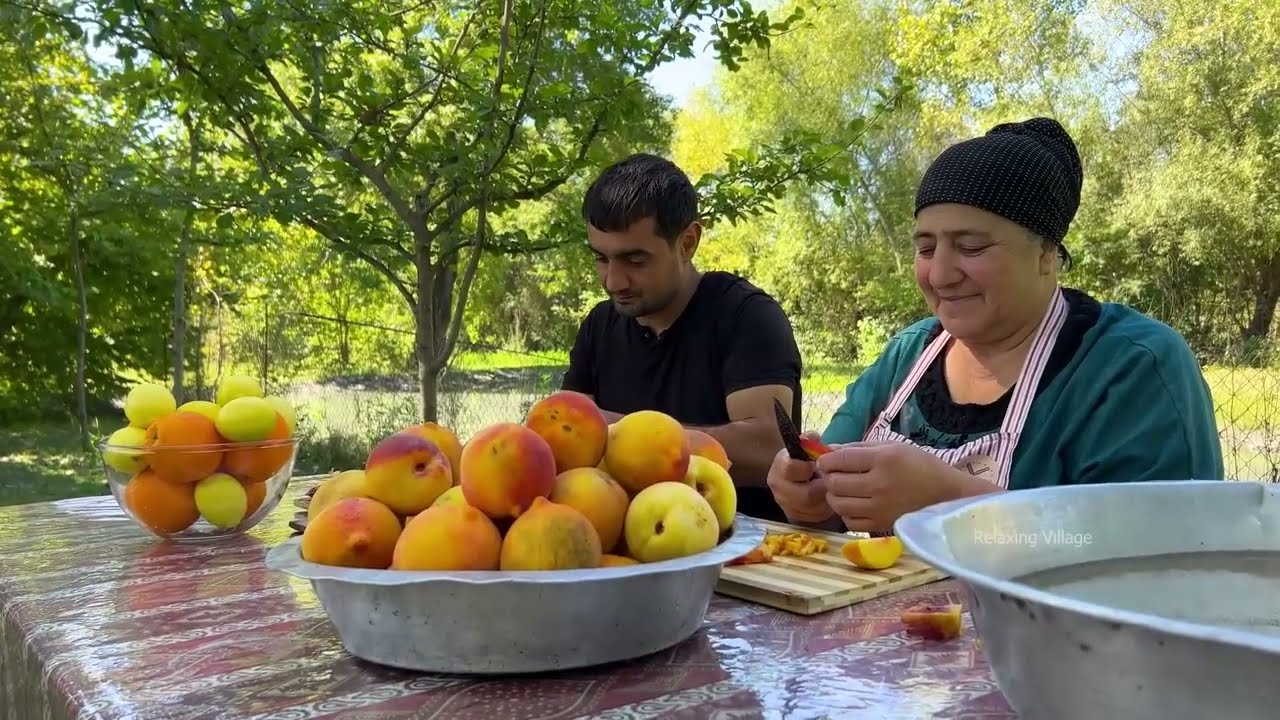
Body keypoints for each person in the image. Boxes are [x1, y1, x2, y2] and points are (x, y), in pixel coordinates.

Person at [767, 117, 1225, 534]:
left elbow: (1157, 552)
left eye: (970, 247)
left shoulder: (1131, 369)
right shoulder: (908, 356)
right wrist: (811, 500)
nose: (941, 274)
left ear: (1046, 253)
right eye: (926, 249)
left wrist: (953, 502)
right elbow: (830, 492)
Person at [562, 153, 803, 521]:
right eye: (601, 259)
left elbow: (769, 448)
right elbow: (565, 435)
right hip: (630, 551)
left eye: (635, 261)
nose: (613, 281)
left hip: (744, 555)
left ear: (688, 242)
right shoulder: (598, 326)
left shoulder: (746, 317)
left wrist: (615, 432)